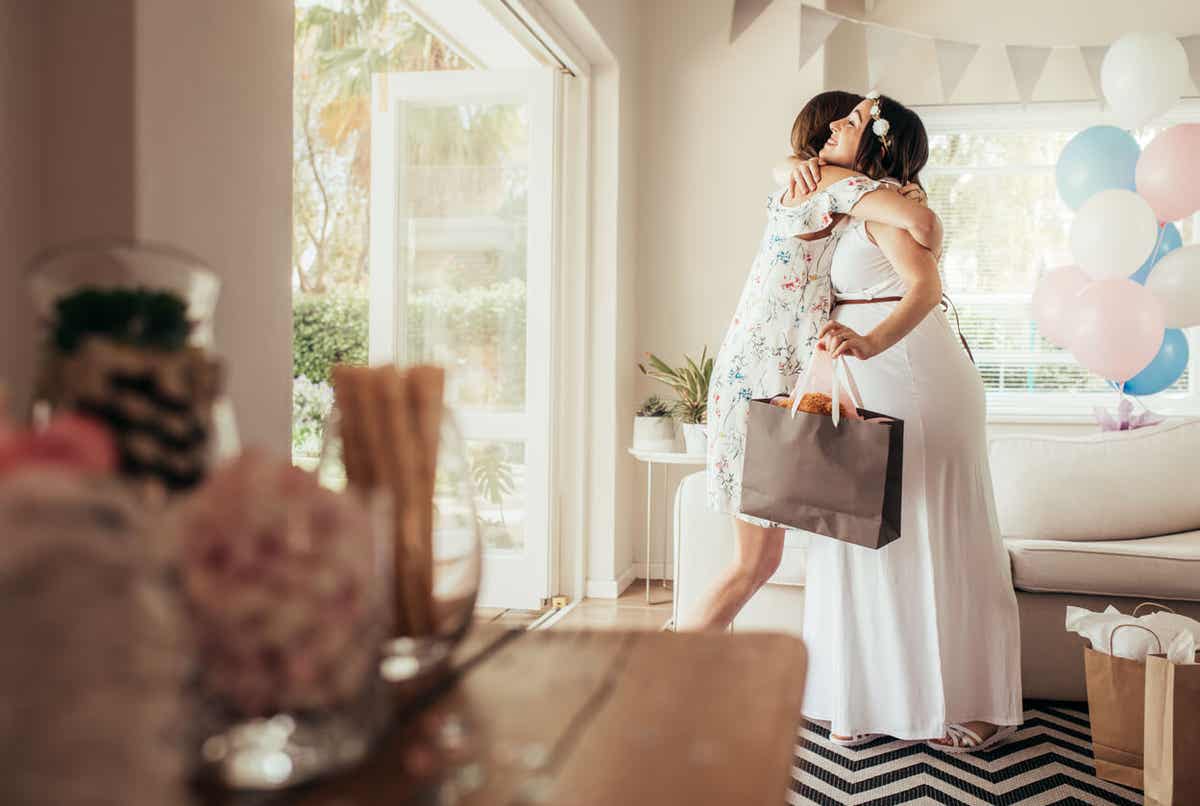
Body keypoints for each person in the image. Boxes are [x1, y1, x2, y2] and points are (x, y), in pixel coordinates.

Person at [786, 94, 1023, 753]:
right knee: (855, 534)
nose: (833, 134)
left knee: (929, 533)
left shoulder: (885, 203)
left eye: (852, 124)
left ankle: (971, 703)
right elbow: (791, 167)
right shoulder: (844, 195)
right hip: (864, 372)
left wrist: (873, 342)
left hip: (912, 366)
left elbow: (925, 289)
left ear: (877, 145)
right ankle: (856, 697)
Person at [696, 92, 940, 634]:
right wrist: (913, 205)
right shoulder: (829, 187)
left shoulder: (830, 191)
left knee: (757, 561)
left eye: (850, 121)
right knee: (753, 563)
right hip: (761, 380)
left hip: (764, 375)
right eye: (840, 119)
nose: (836, 126)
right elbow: (922, 224)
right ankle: (657, 682)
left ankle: (679, 680)